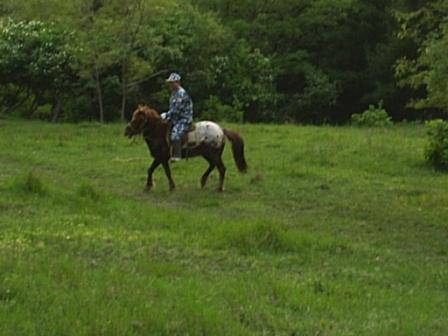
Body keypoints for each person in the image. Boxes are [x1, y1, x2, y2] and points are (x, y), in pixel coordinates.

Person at [161, 73, 193, 162]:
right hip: (175, 117)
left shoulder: (181, 93)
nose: (170, 85)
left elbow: (177, 109)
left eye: (172, 82)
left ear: (178, 82)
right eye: (169, 83)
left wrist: (167, 115)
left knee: (175, 134)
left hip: (184, 118)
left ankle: (177, 156)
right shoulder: (173, 93)